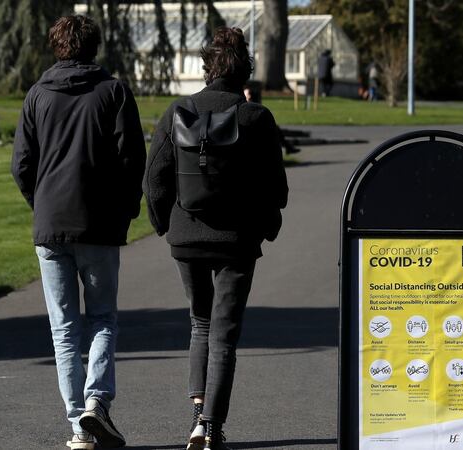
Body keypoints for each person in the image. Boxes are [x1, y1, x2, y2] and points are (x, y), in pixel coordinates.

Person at [143, 27, 288, 450]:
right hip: (237, 239)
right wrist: (267, 224)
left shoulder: (176, 112)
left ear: (207, 67)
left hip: (186, 236)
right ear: (245, 70)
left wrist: (164, 225)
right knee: (224, 333)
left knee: (199, 323)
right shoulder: (256, 118)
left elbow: (154, 180)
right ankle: (211, 427)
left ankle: (196, 417)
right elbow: (274, 187)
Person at [10, 15, 145, 450]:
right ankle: (96, 403)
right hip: (99, 224)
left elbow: (22, 165)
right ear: (94, 47)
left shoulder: (37, 95)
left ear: (57, 46)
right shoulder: (113, 92)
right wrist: (125, 211)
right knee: (102, 318)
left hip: (50, 225)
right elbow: (131, 160)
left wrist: (42, 203)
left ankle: (77, 426)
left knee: (63, 329)